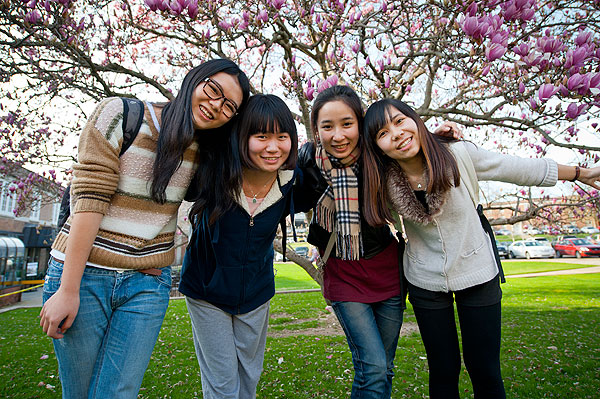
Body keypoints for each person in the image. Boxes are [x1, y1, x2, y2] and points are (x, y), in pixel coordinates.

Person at [39, 59, 250, 399]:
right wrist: (69, 289)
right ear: (193, 80)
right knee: (78, 392)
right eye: (213, 91)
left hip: (145, 285)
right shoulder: (120, 114)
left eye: (229, 107)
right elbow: (90, 199)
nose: (215, 106)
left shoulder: (205, 152)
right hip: (84, 275)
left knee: (118, 392)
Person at [361, 98, 600, 399]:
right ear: (377, 147)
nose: (395, 134)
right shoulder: (380, 182)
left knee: (484, 368)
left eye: (399, 121)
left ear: (415, 120)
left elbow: (519, 168)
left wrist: (580, 173)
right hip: (424, 280)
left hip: (477, 271)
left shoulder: (458, 155)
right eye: (382, 133)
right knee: (443, 368)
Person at [179, 94, 300, 399]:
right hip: (207, 292)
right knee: (222, 385)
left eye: (281, 137)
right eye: (262, 136)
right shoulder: (212, 170)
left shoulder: (291, 180)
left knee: (248, 379)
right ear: (242, 137)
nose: (273, 147)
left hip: (256, 294)